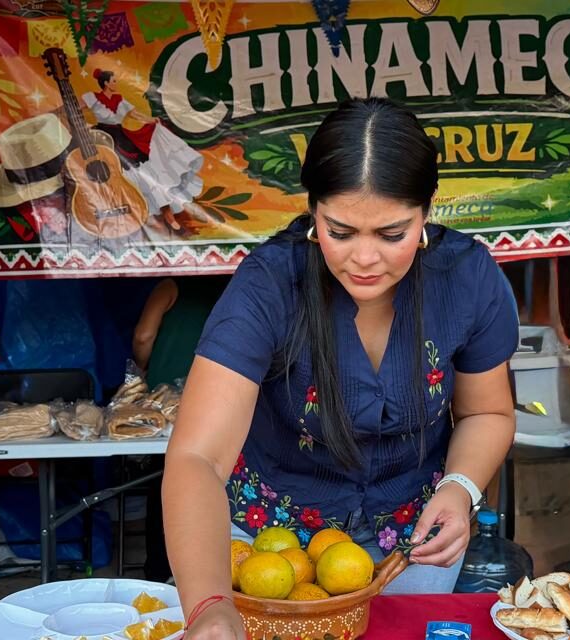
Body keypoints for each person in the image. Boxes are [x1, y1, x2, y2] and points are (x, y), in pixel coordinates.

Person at [163, 98, 518, 638]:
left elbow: (487, 411)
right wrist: (210, 605)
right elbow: (197, 457)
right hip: (267, 550)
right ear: (313, 209)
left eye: (392, 234)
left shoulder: (466, 277)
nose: (365, 258)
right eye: (341, 231)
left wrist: (460, 486)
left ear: (428, 209)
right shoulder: (269, 284)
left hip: (413, 548)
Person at [131, 275, 227, 581]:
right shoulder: (237, 286)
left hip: (164, 406)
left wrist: (142, 367)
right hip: (219, 399)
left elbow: (144, 335)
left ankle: (159, 572)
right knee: (214, 484)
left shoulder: (171, 285)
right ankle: (207, 576)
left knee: (165, 483)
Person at [83, 68, 204, 231]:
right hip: (104, 140)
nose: (116, 83)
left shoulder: (120, 100)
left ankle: (168, 215)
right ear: (105, 83)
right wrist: (85, 127)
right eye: (113, 80)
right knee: (118, 178)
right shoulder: (93, 98)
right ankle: (133, 218)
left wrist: (151, 120)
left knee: (148, 174)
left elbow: (135, 115)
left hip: (123, 138)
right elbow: (74, 111)